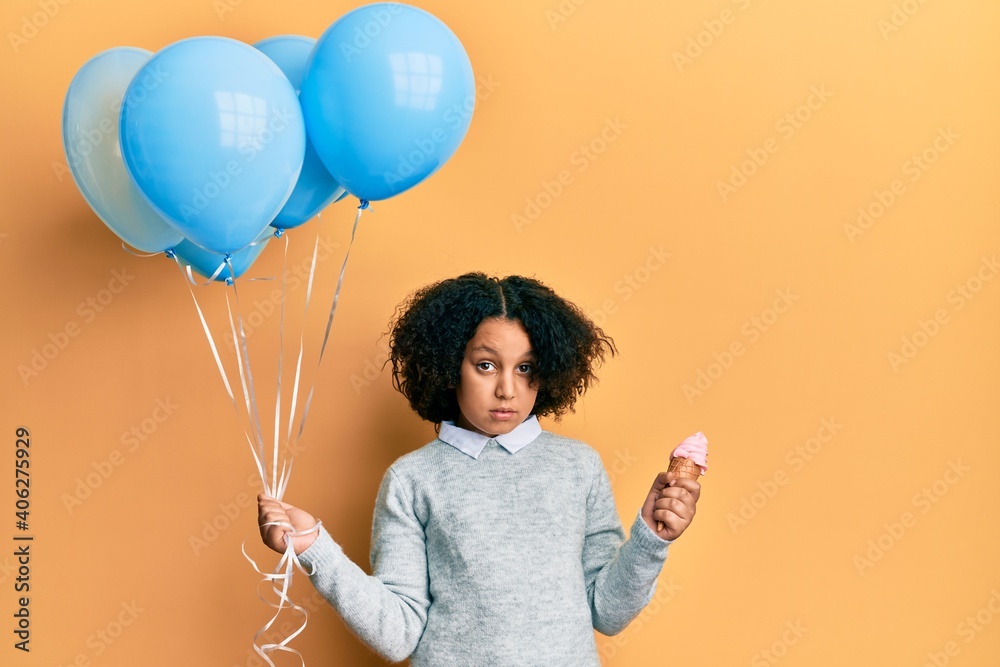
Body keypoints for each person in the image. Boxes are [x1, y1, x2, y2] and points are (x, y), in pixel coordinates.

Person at [258, 273, 701, 665]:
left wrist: (650, 538)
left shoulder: (577, 466)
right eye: (486, 365)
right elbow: (397, 635)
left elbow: (606, 611)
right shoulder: (412, 479)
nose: (507, 389)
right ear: (451, 365)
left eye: (525, 367)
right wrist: (315, 548)